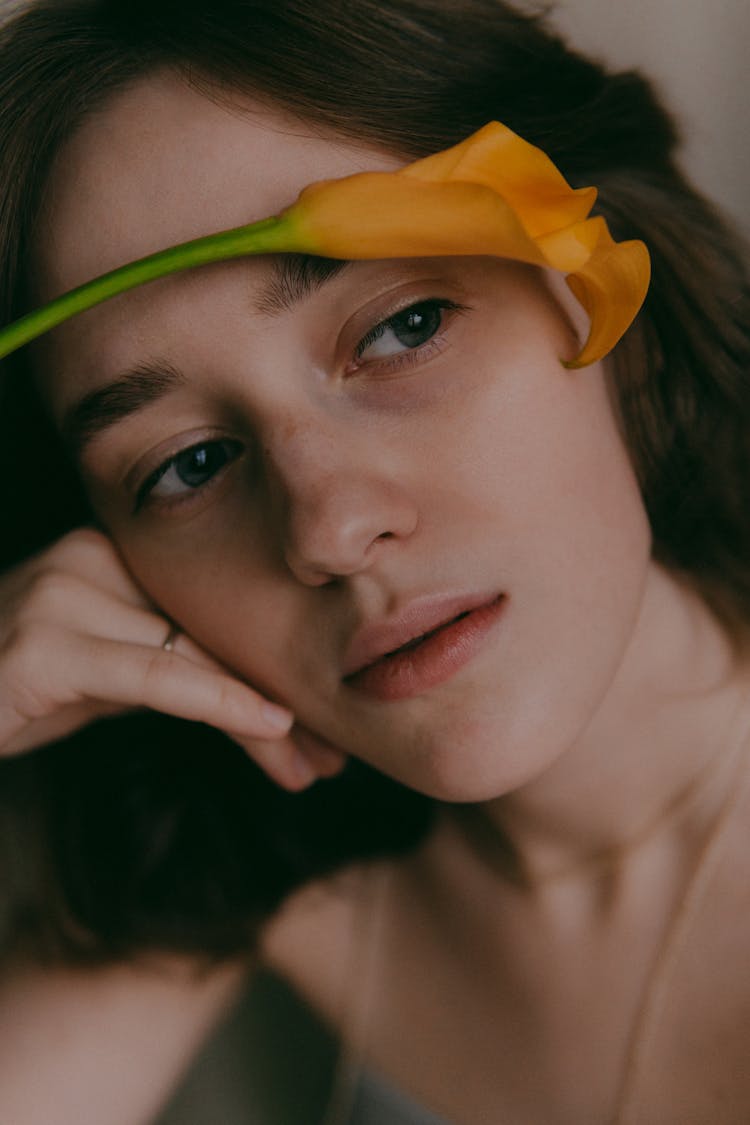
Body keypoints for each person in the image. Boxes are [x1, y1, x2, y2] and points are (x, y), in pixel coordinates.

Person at [0, 0, 749, 1122]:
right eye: (188, 464)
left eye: (402, 329)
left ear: (605, 301)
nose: (328, 530)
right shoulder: (245, 893)